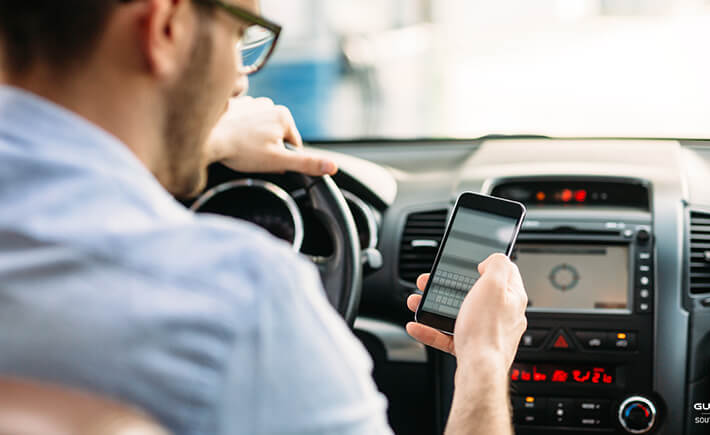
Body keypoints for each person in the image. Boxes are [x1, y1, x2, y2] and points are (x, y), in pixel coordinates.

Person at [0, 1, 529, 434]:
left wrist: (201, 139)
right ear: (165, 28)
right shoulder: (239, 301)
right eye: (240, 38)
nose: (239, 84)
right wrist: (483, 361)